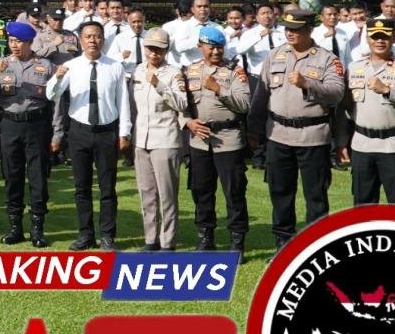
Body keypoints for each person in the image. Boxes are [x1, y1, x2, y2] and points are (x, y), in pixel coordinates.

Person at [248, 6, 346, 248]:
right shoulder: (275, 55)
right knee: (280, 192)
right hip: (278, 134)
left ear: (310, 30)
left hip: (313, 136)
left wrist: (308, 84)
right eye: (287, 29)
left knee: (315, 194)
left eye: (296, 30)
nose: (290, 34)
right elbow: (261, 95)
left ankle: (315, 244)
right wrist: (253, 129)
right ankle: (283, 242)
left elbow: (337, 93)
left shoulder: (327, 59)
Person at [47, 20, 133, 251]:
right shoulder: (71, 66)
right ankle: (85, 235)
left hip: (106, 132)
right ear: (80, 40)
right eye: (88, 36)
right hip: (79, 131)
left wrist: (124, 132)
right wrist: (57, 77)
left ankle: (107, 236)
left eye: (97, 36)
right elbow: (51, 95)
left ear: (103, 39)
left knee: (107, 187)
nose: (93, 40)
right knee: (82, 187)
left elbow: (123, 101)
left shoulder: (115, 66)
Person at [174, 26, 252, 252]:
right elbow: (181, 105)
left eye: (220, 47)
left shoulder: (235, 71)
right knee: (201, 191)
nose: (216, 52)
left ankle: (237, 241)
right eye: (211, 47)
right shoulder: (190, 71)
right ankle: (205, 238)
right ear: (200, 46)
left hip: (228, 139)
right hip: (199, 140)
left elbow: (244, 105)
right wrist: (187, 122)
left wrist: (218, 89)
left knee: (234, 192)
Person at [0, 20, 56, 246]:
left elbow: (58, 97)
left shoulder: (45, 66)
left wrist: (57, 132)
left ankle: (37, 229)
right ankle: (15, 227)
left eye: (19, 41)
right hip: (9, 124)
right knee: (12, 176)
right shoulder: (1, 63)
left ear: (29, 42)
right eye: (11, 41)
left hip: (37, 125)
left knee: (38, 177)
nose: (14, 45)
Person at [342, 17, 395, 206]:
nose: (379, 41)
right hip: (362, 145)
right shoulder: (354, 68)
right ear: (367, 39)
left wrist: (389, 91)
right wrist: (341, 140)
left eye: (385, 37)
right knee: (363, 206)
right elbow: (344, 107)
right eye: (375, 37)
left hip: (393, 145)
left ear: (393, 38)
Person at [131, 29, 186, 251]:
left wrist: (159, 85)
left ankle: (168, 243)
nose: (154, 54)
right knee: (147, 193)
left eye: (159, 50)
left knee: (167, 195)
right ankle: (151, 240)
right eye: (150, 49)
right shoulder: (137, 70)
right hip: (141, 140)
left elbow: (182, 104)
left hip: (165, 139)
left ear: (166, 50)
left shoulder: (174, 73)